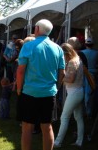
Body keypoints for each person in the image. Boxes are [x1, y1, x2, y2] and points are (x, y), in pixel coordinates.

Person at [16, 19, 65, 150]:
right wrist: (57, 87)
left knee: (27, 126)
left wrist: (19, 89)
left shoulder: (28, 46)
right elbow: (62, 73)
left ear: (37, 29)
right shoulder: (58, 48)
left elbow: (20, 71)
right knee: (47, 126)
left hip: (29, 92)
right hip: (49, 93)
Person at [54, 43, 84, 148]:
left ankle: (58, 142)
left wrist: (60, 77)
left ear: (67, 53)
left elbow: (71, 79)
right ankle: (79, 142)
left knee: (64, 117)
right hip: (78, 91)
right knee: (78, 117)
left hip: (74, 92)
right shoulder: (77, 59)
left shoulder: (72, 62)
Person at [82, 37, 98, 118]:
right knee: (90, 93)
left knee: (84, 93)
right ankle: (89, 112)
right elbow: (97, 63)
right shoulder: (96, 53)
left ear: (85, 44)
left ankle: (85, 111)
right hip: (92, 74)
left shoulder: (82, 52)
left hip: (83, 74)